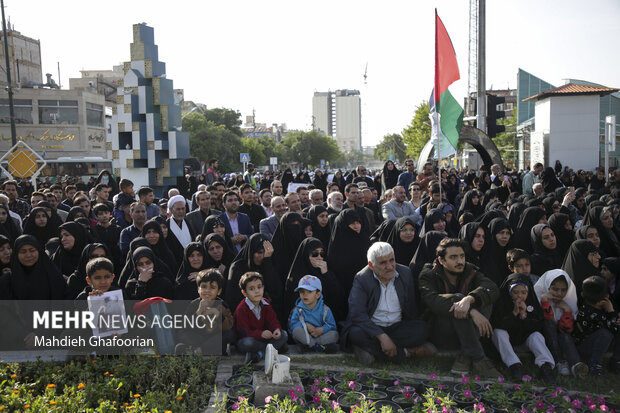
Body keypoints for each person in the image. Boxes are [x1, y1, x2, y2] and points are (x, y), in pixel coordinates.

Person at [418, 238, 501, 378]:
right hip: (442, 332)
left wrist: (470, 299)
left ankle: (465, 355)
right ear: (441, 260)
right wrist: (471, 310)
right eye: (453, 257)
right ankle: (479, 358)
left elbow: (492, 289)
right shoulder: (428, 275)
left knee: (483, 299)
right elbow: (433, 301)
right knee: (457, 300)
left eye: (462, 256)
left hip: (468, 331)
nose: (460, 261)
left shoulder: (470, 270)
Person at [341, 242, 433, 364]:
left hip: (397, 327)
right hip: (372, 328)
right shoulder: (362, 278)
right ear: (371, 265)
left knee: (422, 329)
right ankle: (407, 353)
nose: (389, 266)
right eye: (383, 263)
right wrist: (381, 336)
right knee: (355, 334)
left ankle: (370, 350)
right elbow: (357, 314)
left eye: (391, 260)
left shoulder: (405, 273)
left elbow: (411, 307)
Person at [491, 273, 556, 384]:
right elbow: (498, 323)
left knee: (536, 336)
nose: (519, 296)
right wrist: (514, 313)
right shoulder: (503, 302)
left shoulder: (532, 302)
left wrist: (524, 316)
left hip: (524, 342)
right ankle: (514, 365)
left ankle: (546, 367)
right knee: (498, 332)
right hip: (508, 343)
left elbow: (537, 326)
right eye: (515, 292)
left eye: (523, 292)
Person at [533, 269, 588, 378]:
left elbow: (566, 329)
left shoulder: (568, 300)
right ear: (547, 287)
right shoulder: (538, 297)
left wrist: (567, 311)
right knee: (548, 323)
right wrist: (544, 301)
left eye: (563, 290)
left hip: (562, 336)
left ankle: (575, 365)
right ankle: (560, 361)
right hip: (544, 337)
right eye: (555, 289)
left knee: (565, 335)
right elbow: (544, 320)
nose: (559, 294)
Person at [175, 269, 235, 355]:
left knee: (230, 335)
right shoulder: (194, 304)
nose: (207, 290)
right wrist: (198, 312)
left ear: (219, 291)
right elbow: (186, 325)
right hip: (198, 336)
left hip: (213, 336)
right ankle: (207, 349)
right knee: (181, 333)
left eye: (212, 287)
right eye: (204, 287)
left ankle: (196, 351)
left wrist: (218, 315)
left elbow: (229, 326)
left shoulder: (222, 305)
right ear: (198, 289)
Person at [226, 234, 283, 322]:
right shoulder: (238, 267)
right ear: (251, 252)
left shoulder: (269, 263)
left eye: (265, 252)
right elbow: (234, 298)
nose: (262, 256)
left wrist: (267, 262)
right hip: (245, 318)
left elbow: (276, 291)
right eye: (259, 252)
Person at [235, 272, 288, 363]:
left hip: (264, 339)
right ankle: (273, 349)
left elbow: (272, 320)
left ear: (263, 288)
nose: (257, 291)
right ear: (244, 293)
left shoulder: (265, 303)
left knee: (283, 334)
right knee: (247, 343)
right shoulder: (242, 309)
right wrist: (260, 334)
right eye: (252, 289)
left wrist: (276, 329)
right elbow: (243, 332)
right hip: (249, 339)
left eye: (259, 287)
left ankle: (260, 354)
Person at [573, 276, 620, 375]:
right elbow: (614, 330)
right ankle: (595, 364)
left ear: (582, 294)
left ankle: (616, 361)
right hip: (585, 347)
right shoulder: (594, 315)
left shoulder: (584, 307)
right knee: (606, 333)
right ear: (606, 297)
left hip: (590, 343)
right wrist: (612, 312)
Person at [0, 235, 66, 299]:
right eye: (23, 252)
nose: (28, 255)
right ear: (16, 255)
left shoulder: (54, 277)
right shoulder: (7, 282)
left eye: (32, 250)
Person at [289, 275, 339, 353]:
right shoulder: (298, 309)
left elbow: (332, 326)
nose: (305, 295)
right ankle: (319, 347)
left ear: (318, 294)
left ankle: (309, 347)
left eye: (309, 292)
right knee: (297, 331)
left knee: (334, 335)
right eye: (302, 292)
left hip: (320, 336)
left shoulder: (325, 309)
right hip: (305, 336)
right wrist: (305, 325)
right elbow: (292, 326)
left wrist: (322, 330)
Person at [327, 209, 370, 298]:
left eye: (358, 222)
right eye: (352, 223)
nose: (356, 226)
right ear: (344, 225)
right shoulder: (337, 247)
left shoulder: (364, 240)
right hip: (344, 290)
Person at [166, 195, 196, 262]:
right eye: (178, 209)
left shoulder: (187, 223)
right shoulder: (167, 225)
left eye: (183, 209)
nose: (181, 211)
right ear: (171, 210)